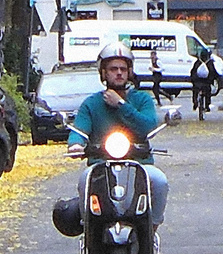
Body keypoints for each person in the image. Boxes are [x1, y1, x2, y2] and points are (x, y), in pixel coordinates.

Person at [68, 41, 169, 229]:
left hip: (139, 164)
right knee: (85, 180)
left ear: (130, 71)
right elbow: (79, 130)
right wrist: (75, 144)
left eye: (123, 68)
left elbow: (148, 126)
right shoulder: (91, 103)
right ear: (104, 73)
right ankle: (89, 229)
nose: (119, 73)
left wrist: (121, 105)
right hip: (100, 164)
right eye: (113, 68)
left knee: (160, 181)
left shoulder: (142, 99)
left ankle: (152, 229)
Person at [188, 47, 223, 116]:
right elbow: (214, 73)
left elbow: (192, 72)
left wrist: (192, 80)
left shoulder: (197, 62)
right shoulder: (210, 63)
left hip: (197, 83)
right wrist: (217, 79)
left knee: (195, 91)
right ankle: (207, 106)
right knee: (208, 93)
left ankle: (195, 103)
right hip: (206, 83)